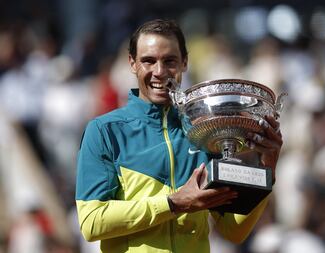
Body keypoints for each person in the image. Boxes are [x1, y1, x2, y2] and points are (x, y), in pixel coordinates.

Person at [75, 19, 283, 253]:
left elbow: (233, 231)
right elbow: (91, 221)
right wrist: (173, 204)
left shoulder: (204, 132)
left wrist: (268, 167)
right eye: (148, 61)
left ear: (184, 62)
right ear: (132, 63)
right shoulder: (104, 130)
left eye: (170, 61)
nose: (160, 72)